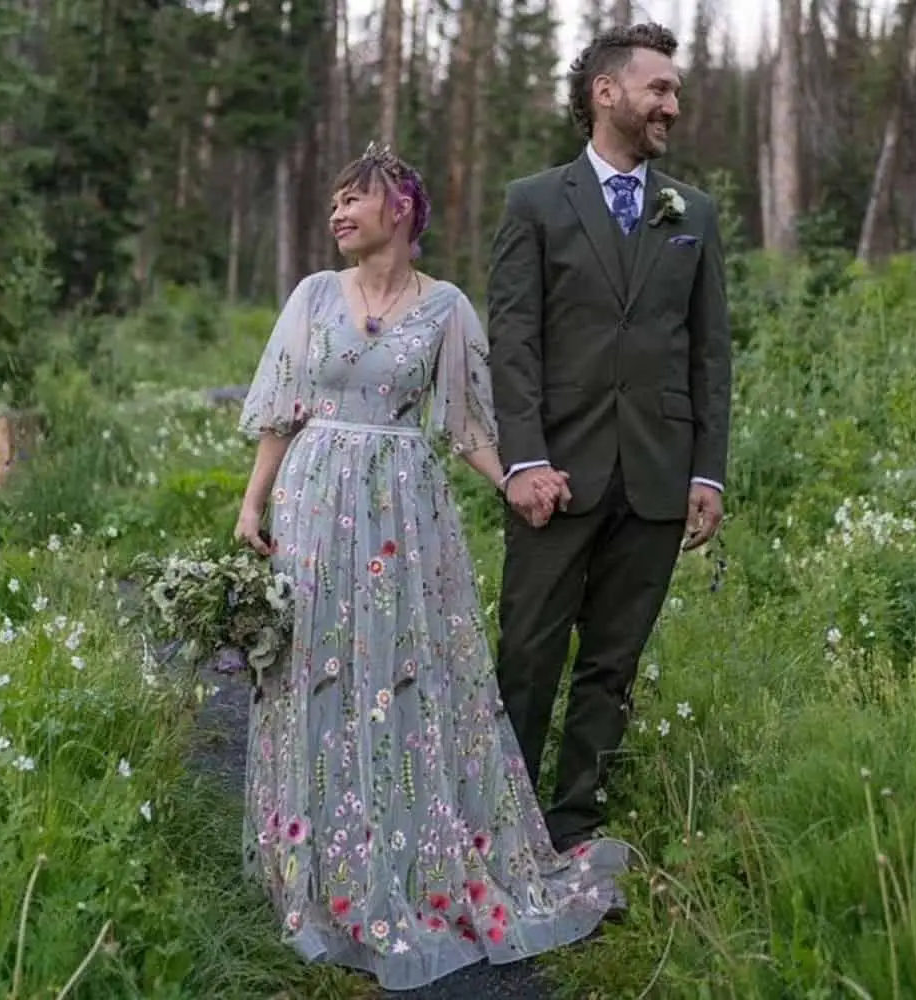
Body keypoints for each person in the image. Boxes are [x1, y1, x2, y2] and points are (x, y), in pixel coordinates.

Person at [232, 143, 616, 993]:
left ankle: (409, 851)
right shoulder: (311, 296)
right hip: (314, 503)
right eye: (333, 203)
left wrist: (515, 483)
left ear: (399, 209)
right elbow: (281, 407)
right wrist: (253, 504)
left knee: (403, 676)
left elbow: (469, 425)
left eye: (352, 200)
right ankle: (317, 863)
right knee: (315, 673)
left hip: (404, 515)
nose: (337, 214)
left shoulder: (445, 309)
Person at [488, 23, 732, 881]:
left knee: (613, 664)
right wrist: (521, 460)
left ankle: (572, 828)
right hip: (556, 477)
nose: (673, 103)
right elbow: (512, 341)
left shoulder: (692, 213)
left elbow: (709, 354)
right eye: (659, 88)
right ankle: (501, 827)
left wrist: (707, 471)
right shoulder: (534, 203)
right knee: (527, 652)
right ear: (606, 92)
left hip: (660, 479)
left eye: (674, 89)